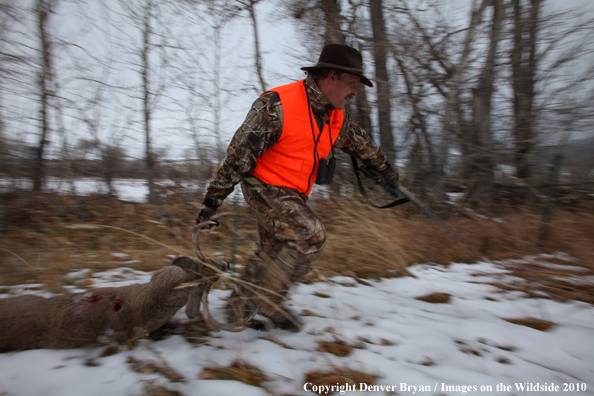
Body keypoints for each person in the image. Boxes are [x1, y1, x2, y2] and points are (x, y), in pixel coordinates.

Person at [197, 43, 399, 331]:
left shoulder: (335, 115)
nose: (355, 91)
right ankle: (269, 302)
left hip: (294, 193)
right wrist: (211, 202)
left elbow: (360, 143)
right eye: (352, 83)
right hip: (262, 184)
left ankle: (238, 307)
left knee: (273, 250)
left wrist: (388, 172)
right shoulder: (277, 105)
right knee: (310, 235)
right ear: (331, 77)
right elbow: (238, 155)